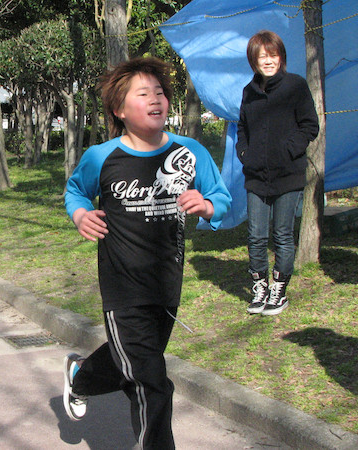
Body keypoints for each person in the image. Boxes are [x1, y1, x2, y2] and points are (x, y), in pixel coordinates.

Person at [63, 57, 231, 449]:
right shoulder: (101, 157)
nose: (155, 99)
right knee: (151, 382)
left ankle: (81, 376)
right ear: (119, 110)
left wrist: (207, 206)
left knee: (138, 361)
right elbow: (75, 191)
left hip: (167, 283)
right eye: (143, 94)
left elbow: (220, 197)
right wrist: (81, 214)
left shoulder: (189, 152)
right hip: (122, 287)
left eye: (160, 92)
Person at [236, 30, 319, 316]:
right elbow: (242, 128)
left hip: (288, 173)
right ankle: (259, 287)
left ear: (281, 57)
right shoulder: (249, 91)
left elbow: (310, 125)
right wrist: (245, 154)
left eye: (273, 55)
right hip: (256, 176)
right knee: (256, 236)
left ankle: (279, 290)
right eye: (262, 57)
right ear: (254, 60)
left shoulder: (296, 86)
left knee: (283, 234)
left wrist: (289, 150)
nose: (268, 61)